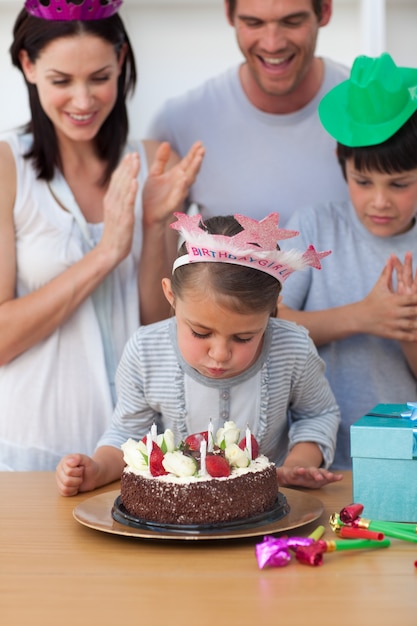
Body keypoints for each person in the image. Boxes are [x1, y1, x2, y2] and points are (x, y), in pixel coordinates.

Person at [0, 0, 205, 471]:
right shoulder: (7, 167)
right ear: (28, 66)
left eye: (99, 77)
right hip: (27, 453)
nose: (82, 100)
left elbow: (163, 328)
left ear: (122, 62)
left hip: (141, 453)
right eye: (61, 81)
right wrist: (108, 252)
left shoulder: (155, 163)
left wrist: (154, 227)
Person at [56, 211, 343, 496]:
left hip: (269, 506)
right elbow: (127, 435)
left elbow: (318, 415)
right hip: (176, 514)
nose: (219, 354)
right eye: (200, 333)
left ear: (271, 311)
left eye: (244, 337)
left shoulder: (292, 348)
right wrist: (97, 470)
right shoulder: (146, 352)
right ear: (171, 296)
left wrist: (298, 465)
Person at [278, 52, 417, 470]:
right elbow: (266, 326)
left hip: (403, 465)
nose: (379, 200)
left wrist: (405, 326)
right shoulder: (315, 225)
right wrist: (363, 316)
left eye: (399, 184)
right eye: (363, 181)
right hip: (314, 456)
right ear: (343, 170)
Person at [147, 0, 350, 225]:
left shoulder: (375, 114)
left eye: (292, 22)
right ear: (228, 13)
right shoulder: (178, 122)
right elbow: (161, 253)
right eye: (253, 23)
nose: (273, 44)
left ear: (325, 11)